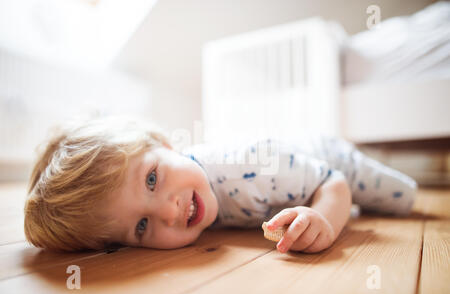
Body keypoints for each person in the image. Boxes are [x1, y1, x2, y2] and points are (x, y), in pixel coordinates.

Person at [24, 115, 417, 253]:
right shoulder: (192, 197)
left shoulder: (246, 165)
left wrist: (324, 219)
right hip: (293, 186)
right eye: (142, 227)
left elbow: (333, 181)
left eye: (152, 179)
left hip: (325, 159)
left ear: (164, 144)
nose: (167, 210)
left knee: (401, 197)